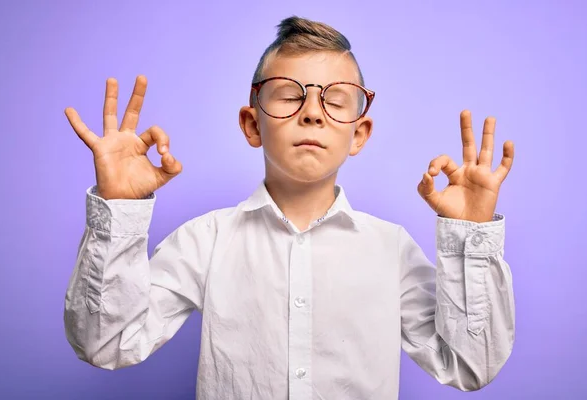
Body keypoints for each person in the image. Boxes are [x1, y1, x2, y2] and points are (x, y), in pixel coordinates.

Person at [63, 15, 515, 400]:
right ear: (251, 123)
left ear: (359, 134)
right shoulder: (206, 240)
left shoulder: (391, 250)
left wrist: (469, 234)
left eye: (336, 100)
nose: (313, 113)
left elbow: (470, 365)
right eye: (288, 94)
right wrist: (119, 207)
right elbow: (106, 343)